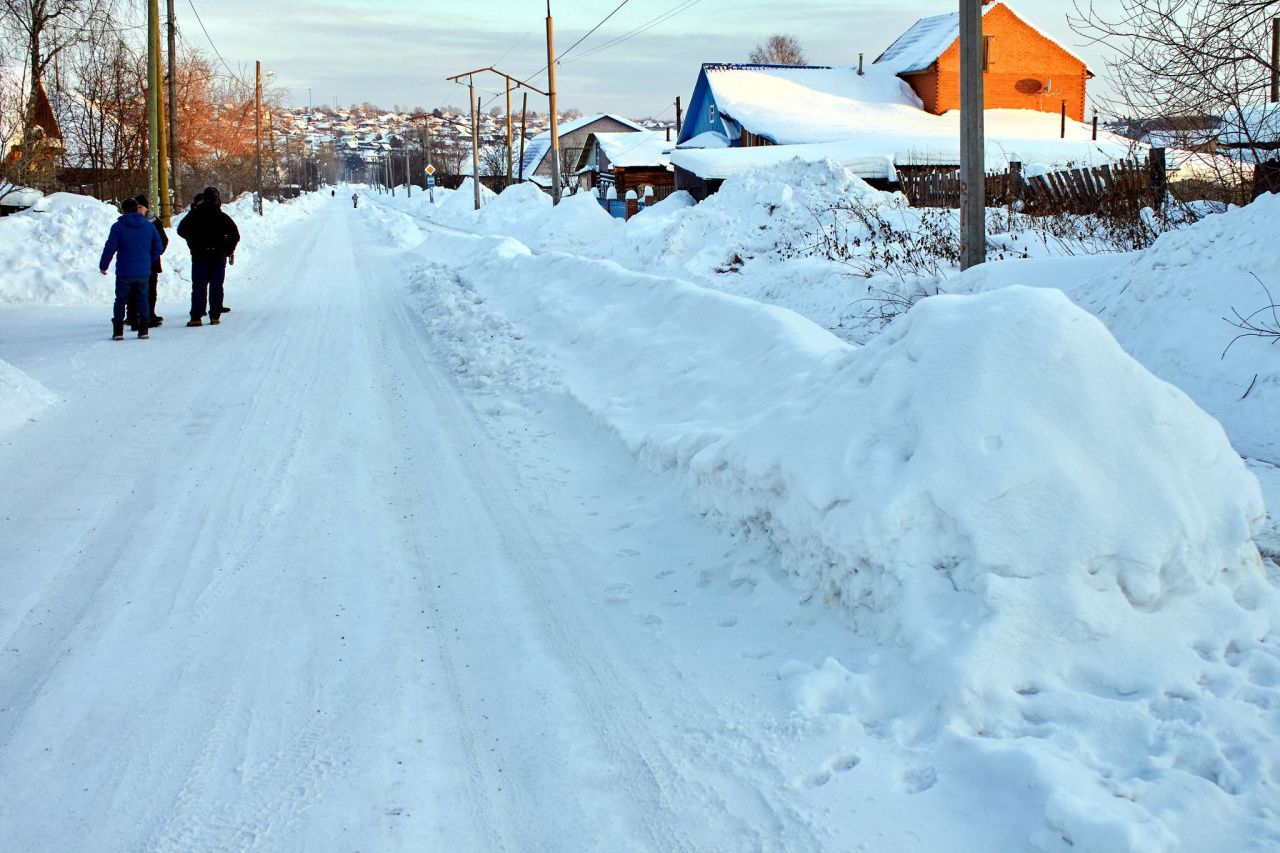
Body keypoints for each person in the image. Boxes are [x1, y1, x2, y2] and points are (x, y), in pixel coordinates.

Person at [99, 197, 164, 340]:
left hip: (124, 271)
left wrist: (103, 265)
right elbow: (158, 247)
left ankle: (118, 332)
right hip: (143, 271)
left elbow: (110, 248)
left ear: (123, 210)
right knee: (143, 299)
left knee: (120, 300)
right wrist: (148, 260)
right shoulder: (149, 226)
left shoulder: (117, 227)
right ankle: (144, 330)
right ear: (137, 209)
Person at [176, 186, 240, 327]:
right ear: (217, 199)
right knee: (216, 286)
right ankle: (215, 316)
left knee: (199, 287)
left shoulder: (195, 215)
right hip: (218, 256)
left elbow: (181, 230)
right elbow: (235, 235)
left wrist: (192, 241)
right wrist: (228, 249)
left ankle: (196, 317)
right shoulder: (222, 216)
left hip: (199, 256)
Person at [124, 195, 169, 330]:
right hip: (134, 263)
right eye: (136, 207)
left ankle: (149, 314)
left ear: (146, 208)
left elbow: (163, 240)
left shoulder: (154, 222)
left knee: (150, 290)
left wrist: (154, 255)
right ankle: (132, 316)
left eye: (141, 207)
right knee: (132, 290)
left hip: (151, 263)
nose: (138, 210)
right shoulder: (128, 222)